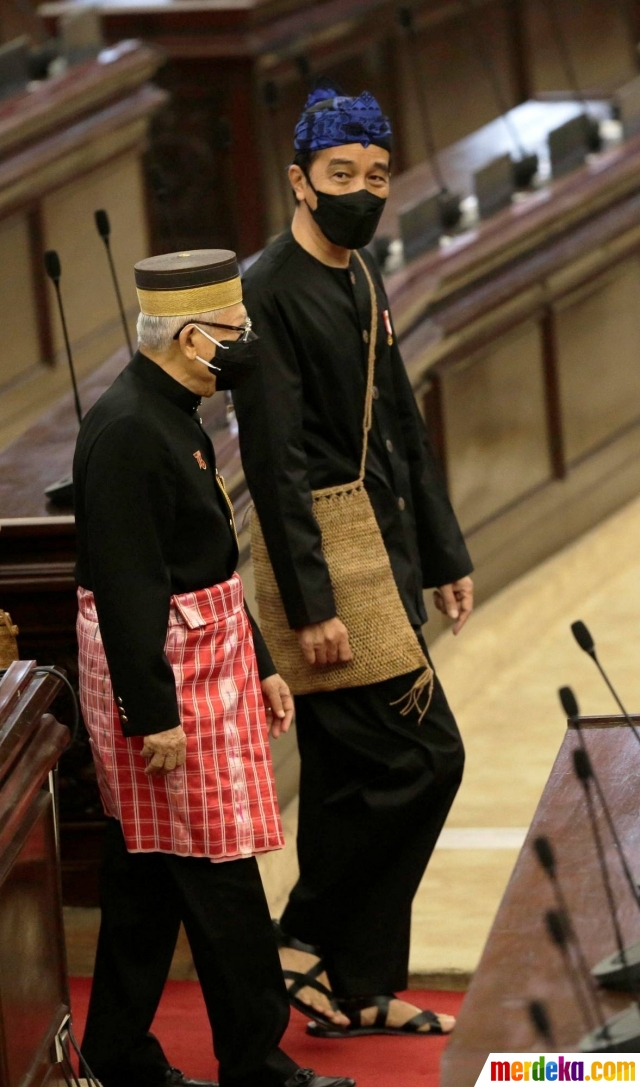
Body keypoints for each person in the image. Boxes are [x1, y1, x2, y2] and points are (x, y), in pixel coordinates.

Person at [73, 248, 356, 1087]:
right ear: (193, 337)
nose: (247, 342)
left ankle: (118, 1052)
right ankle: (257, 1063)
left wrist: (261, 658)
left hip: (203, 657)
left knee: (150, 875)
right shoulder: (129, 427)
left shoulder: (173, 405)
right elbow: (128, 584)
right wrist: (150, 712)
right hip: (165, 681)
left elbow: (207, 559)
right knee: (221, 872)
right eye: (236, 330)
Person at [232, 87, 474, 1039]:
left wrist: (444, 551)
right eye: (342, 177)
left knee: (344, 778)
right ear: (299, 179)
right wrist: (311, 602)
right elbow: (276, 460)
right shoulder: (267, 290)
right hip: (328, 569)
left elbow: (402, 422)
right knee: (428, 757)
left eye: (376, 176)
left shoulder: (359, 271)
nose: (363, 193)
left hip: (384, 548)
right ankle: (301, 940)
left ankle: (360, 985)